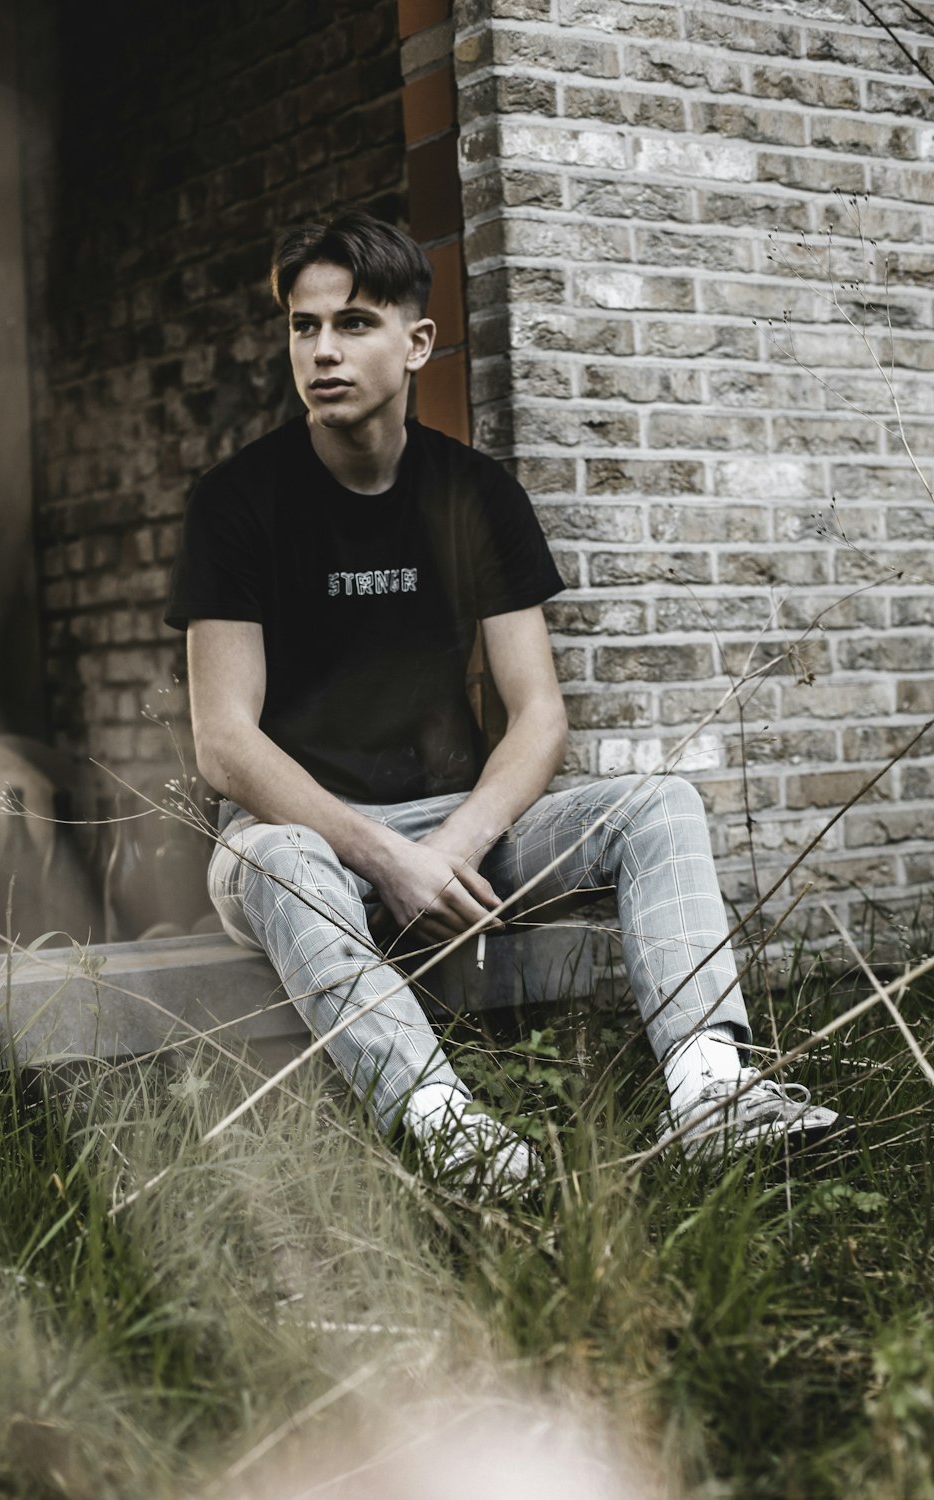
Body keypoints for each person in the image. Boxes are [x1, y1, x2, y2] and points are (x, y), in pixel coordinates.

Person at [164, 209, 841, 1193]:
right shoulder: (237, 503)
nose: (322, 350)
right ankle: (447, 1130)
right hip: (293, 839)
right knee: (283, 857)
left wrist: (450, 847)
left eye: (353, 323)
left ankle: (713, 1093)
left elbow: (538, 717)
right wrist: (386, 856)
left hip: (453, 830)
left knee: (657, 805)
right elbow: (223, 742)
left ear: (416, 341)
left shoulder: (474, 495)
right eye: (303, 327)